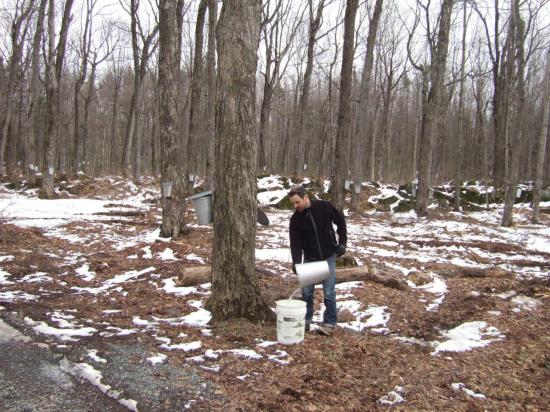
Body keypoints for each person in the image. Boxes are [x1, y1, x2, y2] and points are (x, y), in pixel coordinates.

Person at [288, 185, 347, 335]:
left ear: (305, 197)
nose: (295, 206)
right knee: (307, 293)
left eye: (297, 202)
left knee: (329, 292)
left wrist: (342, 243)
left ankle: (330, 323)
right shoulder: (295, 220)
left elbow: (340, 221)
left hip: (328, 256)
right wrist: (296, 262)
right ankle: (305, 322)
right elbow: (296, 244)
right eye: (293, 204)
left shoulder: (324, 207)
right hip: (310, 259)